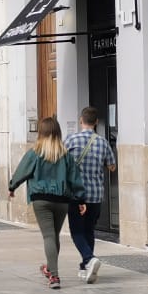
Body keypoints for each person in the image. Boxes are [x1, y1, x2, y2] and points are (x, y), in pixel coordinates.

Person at [8, 117, 84, 290]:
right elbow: (75, 179)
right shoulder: (65, 155)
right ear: (58, 132)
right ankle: (50, 268)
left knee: (48, 236)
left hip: (41, 200)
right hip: (62, 200)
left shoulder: (35, 153)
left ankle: (55, 276)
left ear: (40, 132)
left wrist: (12, 186)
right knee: (54, 236)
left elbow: (22, 171)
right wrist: (80, 199)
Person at [63, 107, 116, 284]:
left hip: (76, 196)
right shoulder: (103, 142)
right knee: (89, 230)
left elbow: (61, 163)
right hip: (95, 195)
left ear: (81, 120)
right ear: (96, 122)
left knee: (76, 231)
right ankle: (85, 266)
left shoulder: (70, 140)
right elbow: (112, 166)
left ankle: (89, 259)